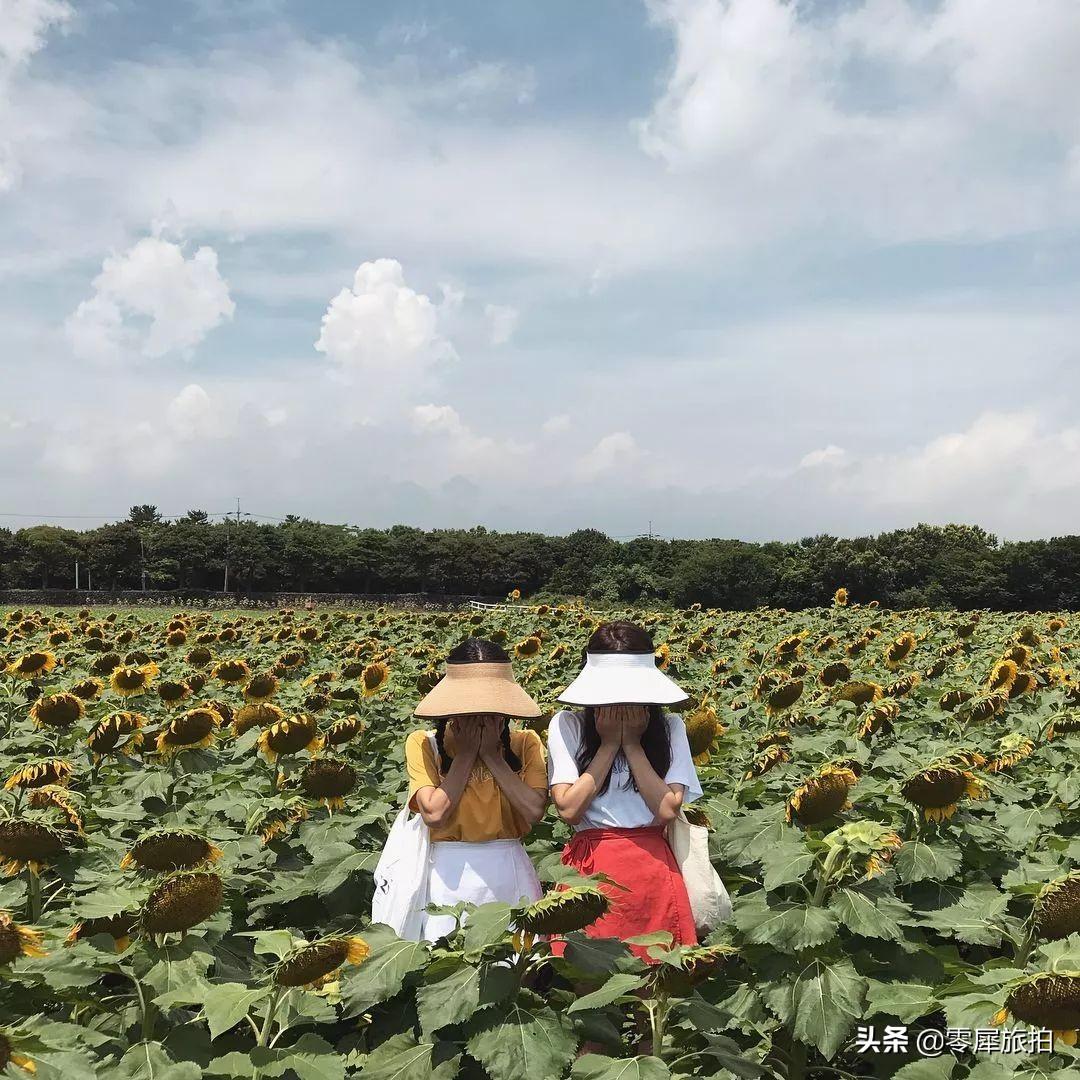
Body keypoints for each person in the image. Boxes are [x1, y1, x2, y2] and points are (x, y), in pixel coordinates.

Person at [546, 620, 702, 959]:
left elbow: (666, 810)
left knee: (656, 972)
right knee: (586, 971)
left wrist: (631, 744)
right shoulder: (567, 725)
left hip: (651, 869)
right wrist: (606, 746)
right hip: (591, 868)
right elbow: (569, 809)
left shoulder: (670, 728)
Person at [405, 637, 548, 941]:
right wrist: (467, 754)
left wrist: (494, 758)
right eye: (469, 711)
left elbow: (534, 810)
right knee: (448, 956)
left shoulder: (525, 744)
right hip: (449, 874)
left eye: (490, 710)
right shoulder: (425, 744)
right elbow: (434, 812)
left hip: (508, 869)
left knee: (517, 961)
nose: (480, 719)